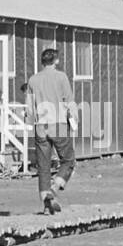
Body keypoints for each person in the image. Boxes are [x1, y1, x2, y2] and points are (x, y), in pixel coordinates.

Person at [26, 47, 77, 215]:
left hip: (40, 125)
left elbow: (29, 107)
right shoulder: (61, 77)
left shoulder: (33, 80)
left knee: (43, 166)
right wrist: (74, 120)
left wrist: (30, 123)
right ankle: (55, 186)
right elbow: (69, 101)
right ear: (56, 61)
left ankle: (47, 204)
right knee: (68, 160)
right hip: (58, 123)